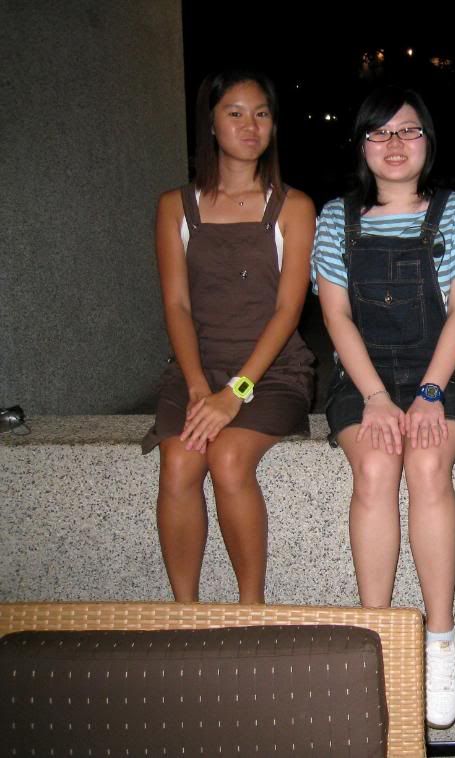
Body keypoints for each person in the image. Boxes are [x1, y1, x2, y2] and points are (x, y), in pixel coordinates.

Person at [311, 87, 455, 729]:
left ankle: (440, 639)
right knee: (377, 465)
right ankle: (376, 634)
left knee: (428, 462)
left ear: (428, 142)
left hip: (446, 369)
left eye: (408, 130)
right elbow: (335, 316)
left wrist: (431, 392)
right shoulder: (337, 218)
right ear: (361, 146)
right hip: (365, 377)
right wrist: (377, 398)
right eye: (379, 133)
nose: (394, 144)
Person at [142, 70, 316, 606]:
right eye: (235, 113)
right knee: (179, 461)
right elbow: (176, 304)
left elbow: (288, 311)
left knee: (229, 458)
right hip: (197, 367)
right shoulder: (176, 206)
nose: (250, 125)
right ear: (211, 123)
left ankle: (250, 608)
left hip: (273, 372)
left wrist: (235, 392)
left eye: (261, 113)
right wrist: (198, 386)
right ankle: (184, 613)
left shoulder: (293, 206)